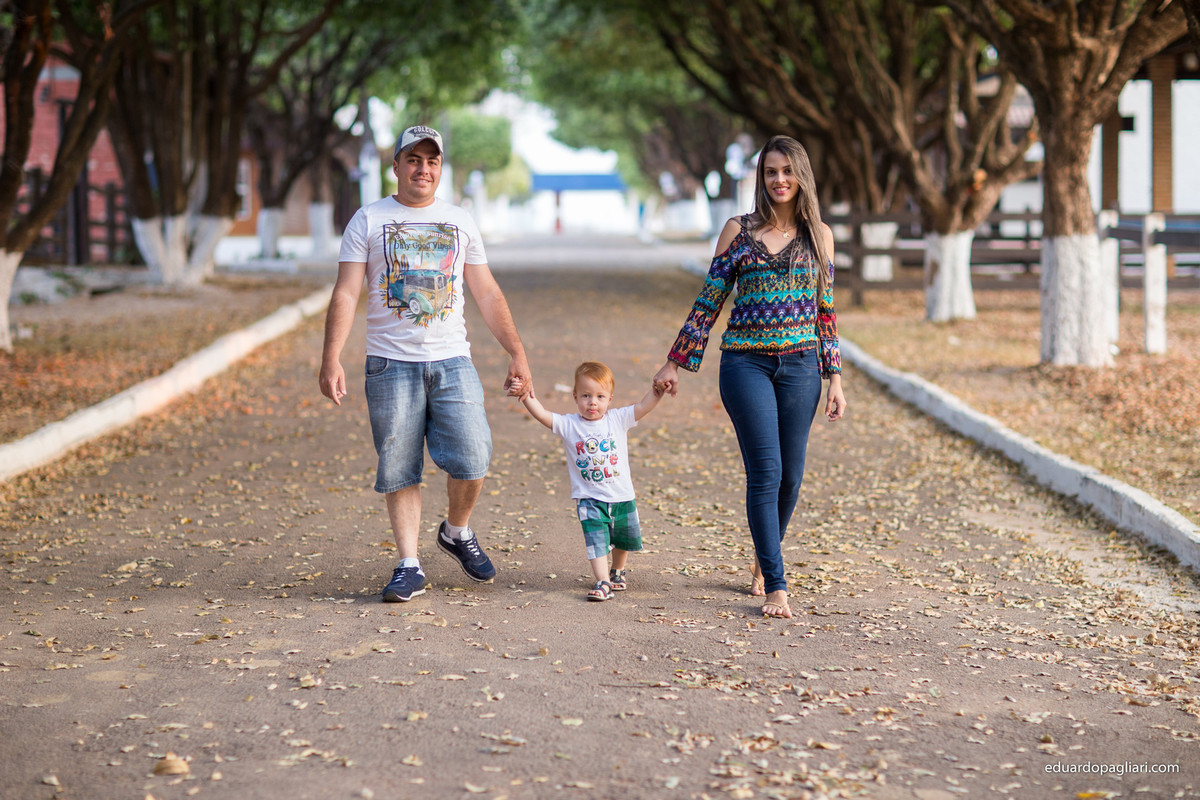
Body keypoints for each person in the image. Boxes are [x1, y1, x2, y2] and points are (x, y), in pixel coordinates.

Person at [319, 124, 532, 603]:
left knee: (475, 454)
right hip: (390, 364)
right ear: (395, 166)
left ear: (441, 168)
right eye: (413, 159)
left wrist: (516, 353)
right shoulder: (369, 220)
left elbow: (487, 292)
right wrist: (331, 356)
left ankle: (456, 531)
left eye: (432, 160)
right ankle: (409, 564)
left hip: (453, 359)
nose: (423, 168)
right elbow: (347, 291)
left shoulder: (459, 220)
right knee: (400, 468)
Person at [653, 135, 847, 619]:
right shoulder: (738, 230)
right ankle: (777, 584)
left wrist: (835, 377)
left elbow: (826, 311)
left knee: (792, 479)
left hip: (802, 366)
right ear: (760, 178)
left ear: (801, 175)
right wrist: (675, 361)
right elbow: (709, 302)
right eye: (770, 172)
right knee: (767, 472)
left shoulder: (819, 235)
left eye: (787, 171)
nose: (779, 180)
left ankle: (765, 556)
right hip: (746, 364)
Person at [512, 362, 663, 601]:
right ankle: (603, 581)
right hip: (589, 498)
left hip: (622, 495)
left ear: (610, 399)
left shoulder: (617, 419)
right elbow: (542, 414)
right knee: (596, 541)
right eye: (585, 395)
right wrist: (526, 396)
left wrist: (657, 392)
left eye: (599, 396)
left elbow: (644, 406)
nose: (593, 402)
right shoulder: (570, 424)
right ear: (575, 397)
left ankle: (618, 571)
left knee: (622, 537)